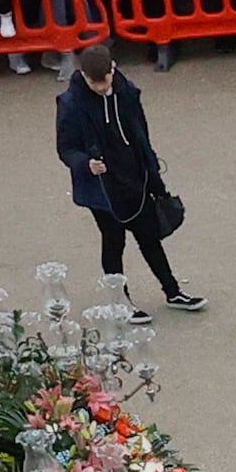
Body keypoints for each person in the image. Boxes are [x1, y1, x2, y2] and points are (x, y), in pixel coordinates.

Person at [49, 41, 198, 311]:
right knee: (113, 241)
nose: (102, 88)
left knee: (149, 237)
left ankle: (173, 292)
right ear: (83, 75)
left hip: (134, 177)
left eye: (105, 81)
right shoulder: (70, 104)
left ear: (113, 69)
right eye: (95, 84)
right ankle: (120, 301)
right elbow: (65, 148)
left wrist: (152, 172)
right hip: (102, 187)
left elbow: (141, 134)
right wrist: (85, 163)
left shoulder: (126, 92)